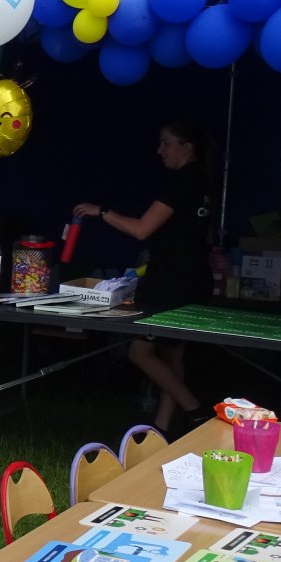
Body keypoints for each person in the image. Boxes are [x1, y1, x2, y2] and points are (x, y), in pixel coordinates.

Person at [73, 118, 218, 435]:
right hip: (193, 276)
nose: (159, 150)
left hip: (171, 279)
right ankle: (162, 428)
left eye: (166, 143)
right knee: (173, 352)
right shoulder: (203, 181)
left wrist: (102, 212)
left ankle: (197, 412)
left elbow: (142, 229)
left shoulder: (182, 181)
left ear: (186, 146)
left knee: (140, 352)